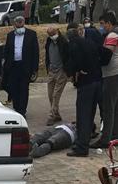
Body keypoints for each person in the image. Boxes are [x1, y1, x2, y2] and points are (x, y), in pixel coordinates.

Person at [65, 23, 102, 157]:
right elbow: (103, 55)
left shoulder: (74, 45)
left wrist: (77, 71)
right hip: (97, 81)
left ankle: (81, 147)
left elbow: (74, 62)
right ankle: (85, 139)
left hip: (85, 83)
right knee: (90, 113)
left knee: (83, 115)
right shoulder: (90, 42)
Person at [91, 13, 118, 148]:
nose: (101, 27)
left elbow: (107, 56)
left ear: (108, 23)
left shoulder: (112, 36)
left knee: (108, 108)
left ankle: (105, 139)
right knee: (115, 107)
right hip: (115, 73)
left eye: (102, 23)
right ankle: (114, 136)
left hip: (111, 75)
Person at [2, 16, 39, 117]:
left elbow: (35, 52)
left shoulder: (31, 34)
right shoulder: (10, 35)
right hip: (13, 66)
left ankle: (22, 110)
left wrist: (35, 69)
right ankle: (16, 107)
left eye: (21, 22)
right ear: (14, 24)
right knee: (14, 88)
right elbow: (7, 51)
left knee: (23, 89)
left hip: (25, 66)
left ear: (23, 22)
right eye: (17, 22)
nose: (19, 24)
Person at [45, 26, 69, 125]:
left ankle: (51, 115)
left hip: (61, 71)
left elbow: (67, 56)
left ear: (57, 31)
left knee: (56, 95)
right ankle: (56, 114)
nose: (52, 36)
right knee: (50, 94)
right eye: (49, 35)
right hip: (51, 70)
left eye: (53, 34)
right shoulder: (49, 41)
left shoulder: (63, 42)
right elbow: (47, 54)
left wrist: (67, 70)